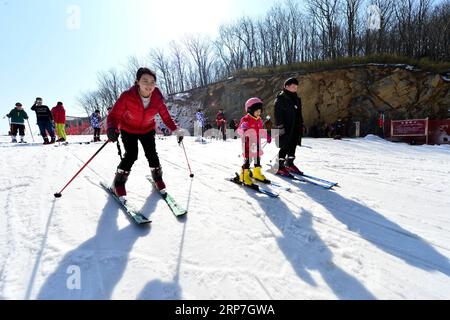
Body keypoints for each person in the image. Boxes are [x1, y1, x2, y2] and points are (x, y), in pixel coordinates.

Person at [106, 67, 182, 200]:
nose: (149, 85)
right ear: (137, 82)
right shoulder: (127, 96)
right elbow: (114, 115)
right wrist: (112, 129)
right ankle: (118, 183)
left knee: (152, 153)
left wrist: (175, 129)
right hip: (128, 129)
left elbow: (165, 115)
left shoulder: (157, 98)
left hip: (147, 129)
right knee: (131, 154)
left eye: (152, 82)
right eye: (145, 81)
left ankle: (158, 179)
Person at [236, 97, 271, 186]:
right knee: (248, 159)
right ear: (250, 110)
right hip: (248, 143)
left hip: (257, 143)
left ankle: (256, 173)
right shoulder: (245, 119)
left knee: (257, 158)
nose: (259, 113)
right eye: (257, 111)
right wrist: (242, 128)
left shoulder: (259, 120)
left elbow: (261, 130)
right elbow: (239, 131)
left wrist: (267, 136)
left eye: (260, 111)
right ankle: (244, 175)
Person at [274, 77, 304, 176]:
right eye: (293, 86)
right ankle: (279, 166)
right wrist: (280, 126)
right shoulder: (281, 98)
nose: (295, 88)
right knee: (285, 145)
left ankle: (289, 163)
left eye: (296, 86)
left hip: (295, 126)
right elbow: (278, 114)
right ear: (286, 86)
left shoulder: (297, 99)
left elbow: (299, 113)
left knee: (293, 144)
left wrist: (301, 124)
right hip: (285, 126)